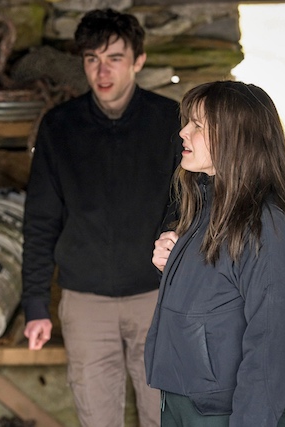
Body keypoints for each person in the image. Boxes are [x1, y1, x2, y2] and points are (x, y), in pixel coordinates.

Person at [21, 8, 182, 427]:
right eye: (92, 59)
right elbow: (40, 220)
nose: (102, 71)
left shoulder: (171, 121)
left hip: (158, 299)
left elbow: (188, 205)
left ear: (138, 60)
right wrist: (35, 304)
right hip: (85, 303)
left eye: (114, 58)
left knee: (165, 417)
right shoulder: (60, 126)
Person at [144, 81, 285, 426]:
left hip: (231, 412)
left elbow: (274, 347)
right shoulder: (206, 203)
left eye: (197, 125)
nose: (183, 132)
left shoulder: (268, 225)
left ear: (236, 138)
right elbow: (219, 295)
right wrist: (172, 265)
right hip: (186, 401)